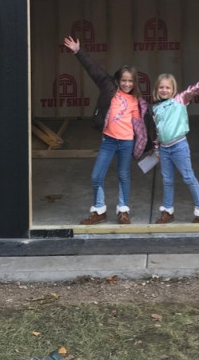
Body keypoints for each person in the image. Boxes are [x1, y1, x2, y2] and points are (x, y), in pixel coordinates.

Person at [63, 36, 151, 225]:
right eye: (124, 80)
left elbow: (143, 128)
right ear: (117, 80)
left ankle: (123, 210)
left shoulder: (137, 101)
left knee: (123, 175)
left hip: (126, 142)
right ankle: (99, 209)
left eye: (131, 81)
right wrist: (79, 51)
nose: (127, 84)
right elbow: (94, 70)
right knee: (96, 175)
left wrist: (153, 147)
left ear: (135, 83)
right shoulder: (109, 88)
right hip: (109, 141)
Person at [152, 65, 199, 225]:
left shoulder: (180, 100)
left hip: (179, 146)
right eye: (161, 87)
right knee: (167, 180)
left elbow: (195, 90)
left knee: (188, 176)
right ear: (157, 89)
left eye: (167, 87)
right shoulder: (156, 108)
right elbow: (158, 131)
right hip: (164, 150)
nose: (164, 90)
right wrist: (157, 149)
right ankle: (167, 211)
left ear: (173, 89)